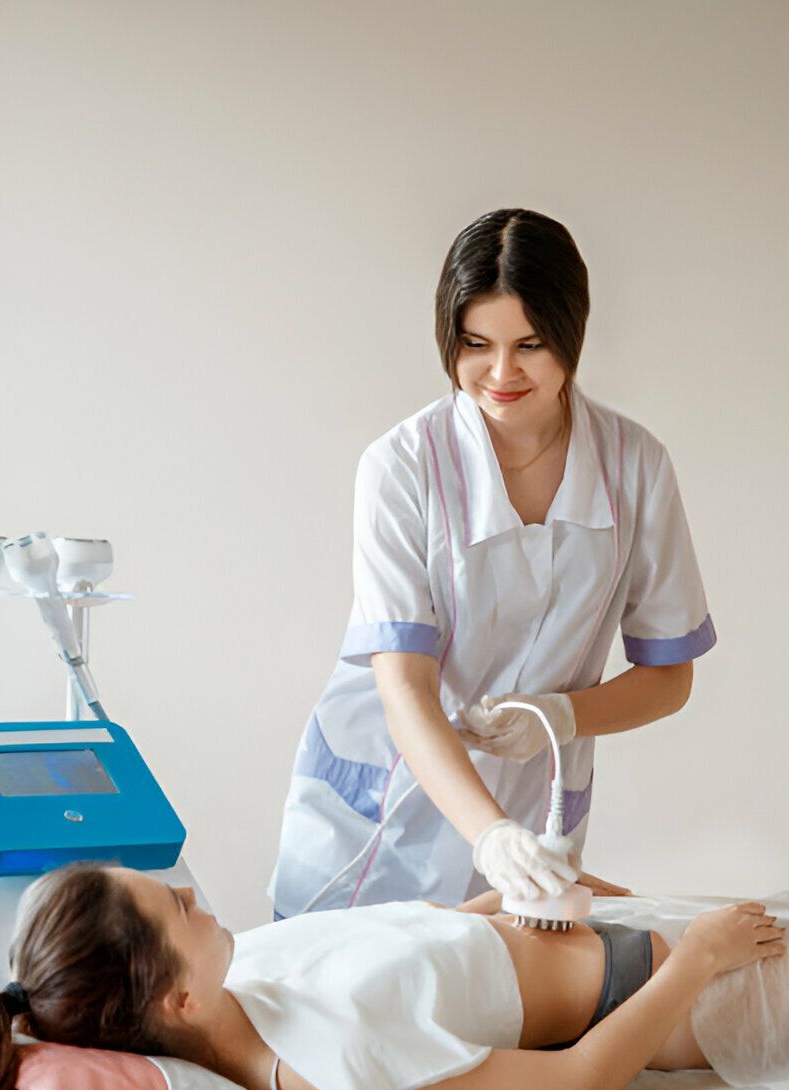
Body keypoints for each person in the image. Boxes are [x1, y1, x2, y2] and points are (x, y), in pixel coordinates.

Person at [269, 207, 716, 920]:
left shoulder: (635, 467)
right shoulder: (402, 466)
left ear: (571, 337)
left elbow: (669, 677)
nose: (501, 373)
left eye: (530, 345)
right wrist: (491, 836)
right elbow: (406, 689)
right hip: (379, 821)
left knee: (506, 1015)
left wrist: (563, 714)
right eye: (476, 344)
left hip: (533, 820)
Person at [0, 862, 789, 1090]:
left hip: (635, 934)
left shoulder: (248, 968)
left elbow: (436, 935)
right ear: (178, 1002)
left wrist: (518, 888)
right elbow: (577, 1082)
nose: (199, 900)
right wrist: (696, 962)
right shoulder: (332, 1059)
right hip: (681, 996)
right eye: (179, 908)